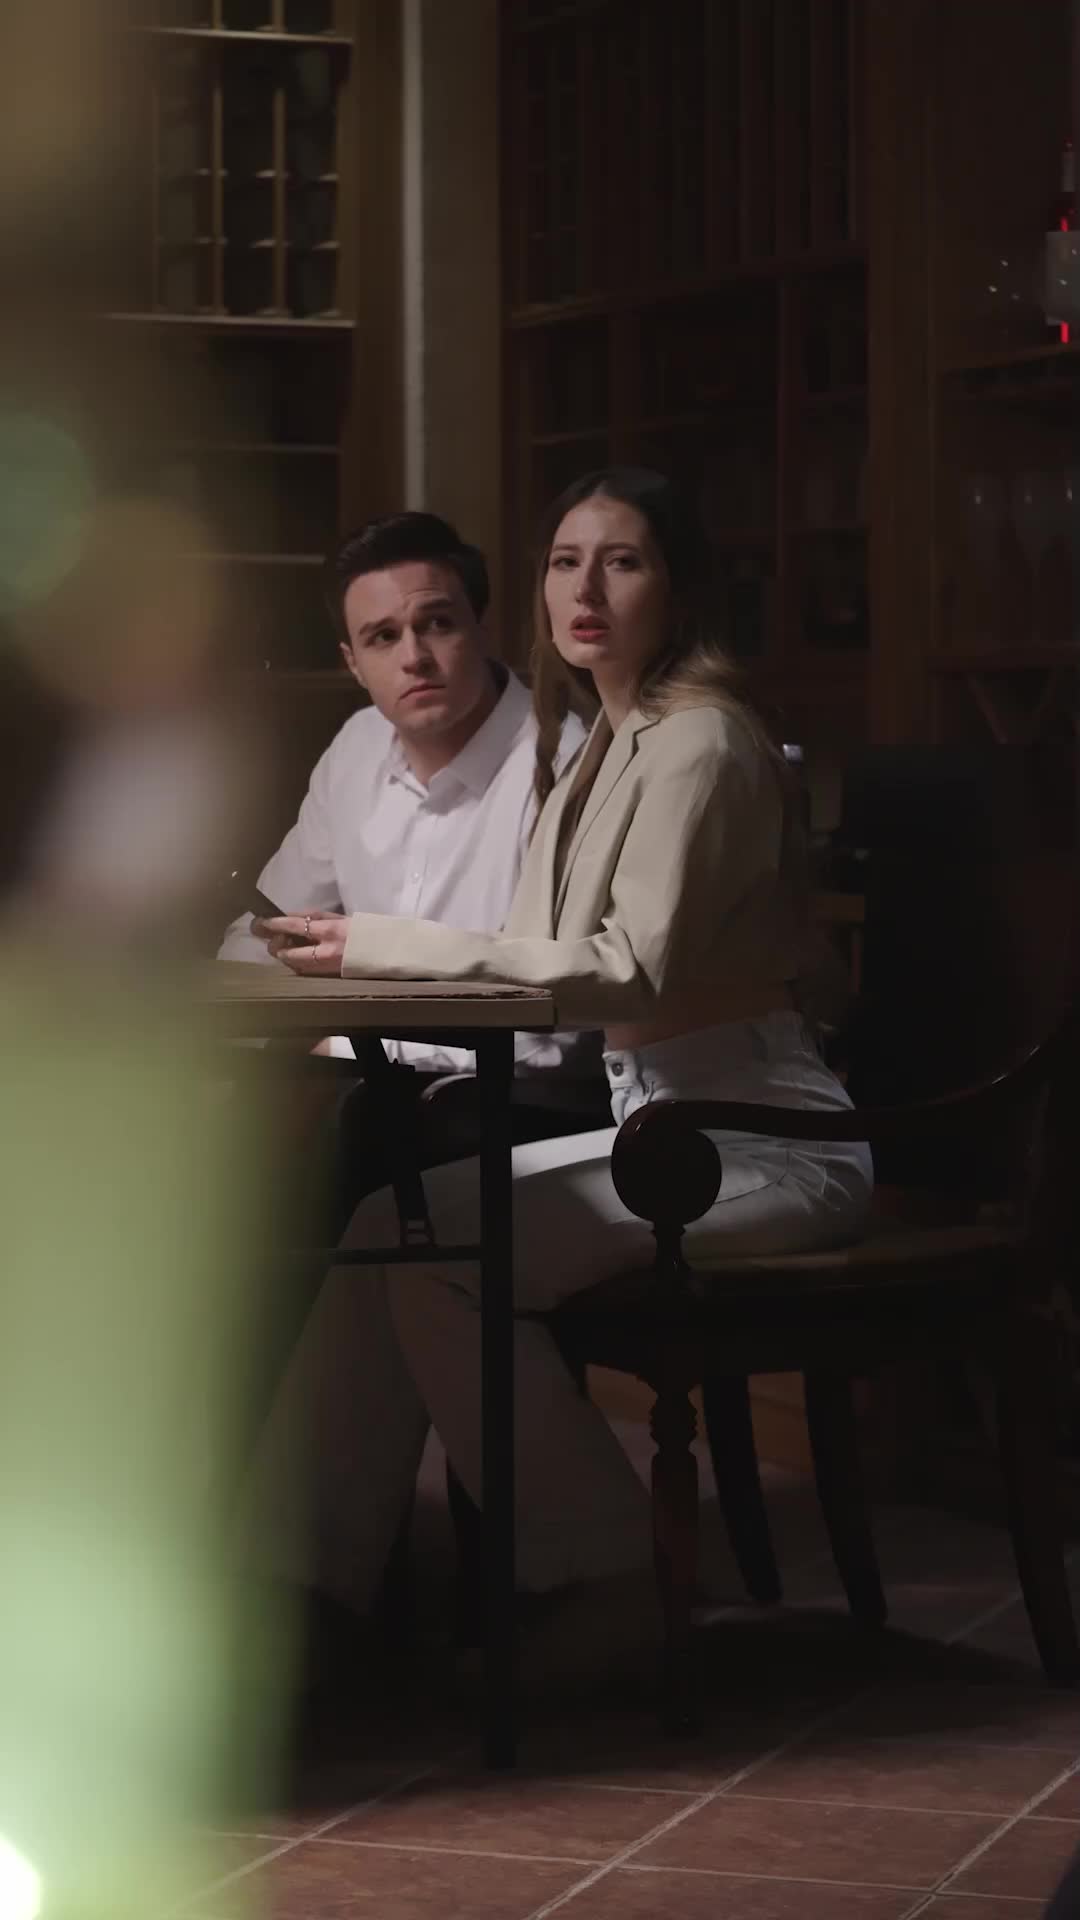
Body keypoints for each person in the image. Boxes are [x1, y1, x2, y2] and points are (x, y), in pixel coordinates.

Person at [256, 467, 874, 1604]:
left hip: (764, 1139)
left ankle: (608, 1577)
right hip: (663, 1127)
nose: (585, 589)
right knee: (392, 1229)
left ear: (677, 588)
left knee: (440, 1261)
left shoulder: (701, 742)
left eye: (622, 561)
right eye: (564, 562)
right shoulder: (602, 743)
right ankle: (296, 1581)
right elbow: (529, 948)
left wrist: (377, 946)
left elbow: (625, 968)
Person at [219, 509, 598, 1228]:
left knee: (328, 1129)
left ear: (481, 626)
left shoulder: (563, 764)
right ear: (352, 662)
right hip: (364, 1090)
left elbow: (564, 1025)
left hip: (517, 1103)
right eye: (382, 637)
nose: (414, 657)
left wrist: (338, 1044)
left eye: (437, 624)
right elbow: (258, 936)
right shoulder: (357, 747)